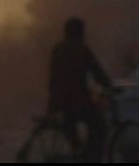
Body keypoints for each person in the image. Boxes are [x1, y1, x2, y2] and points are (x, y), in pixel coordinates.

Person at [48, 17, 112, 162]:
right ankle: (90, 157)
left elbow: (52, 79)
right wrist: (108, 85)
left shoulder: (58, 49)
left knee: (73, 137)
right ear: (80, 33)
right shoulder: (81, 49)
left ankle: (79, 153)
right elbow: (96, 72)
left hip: (60, 103)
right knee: (100, 127)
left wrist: (51, 105)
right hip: (79, 101)